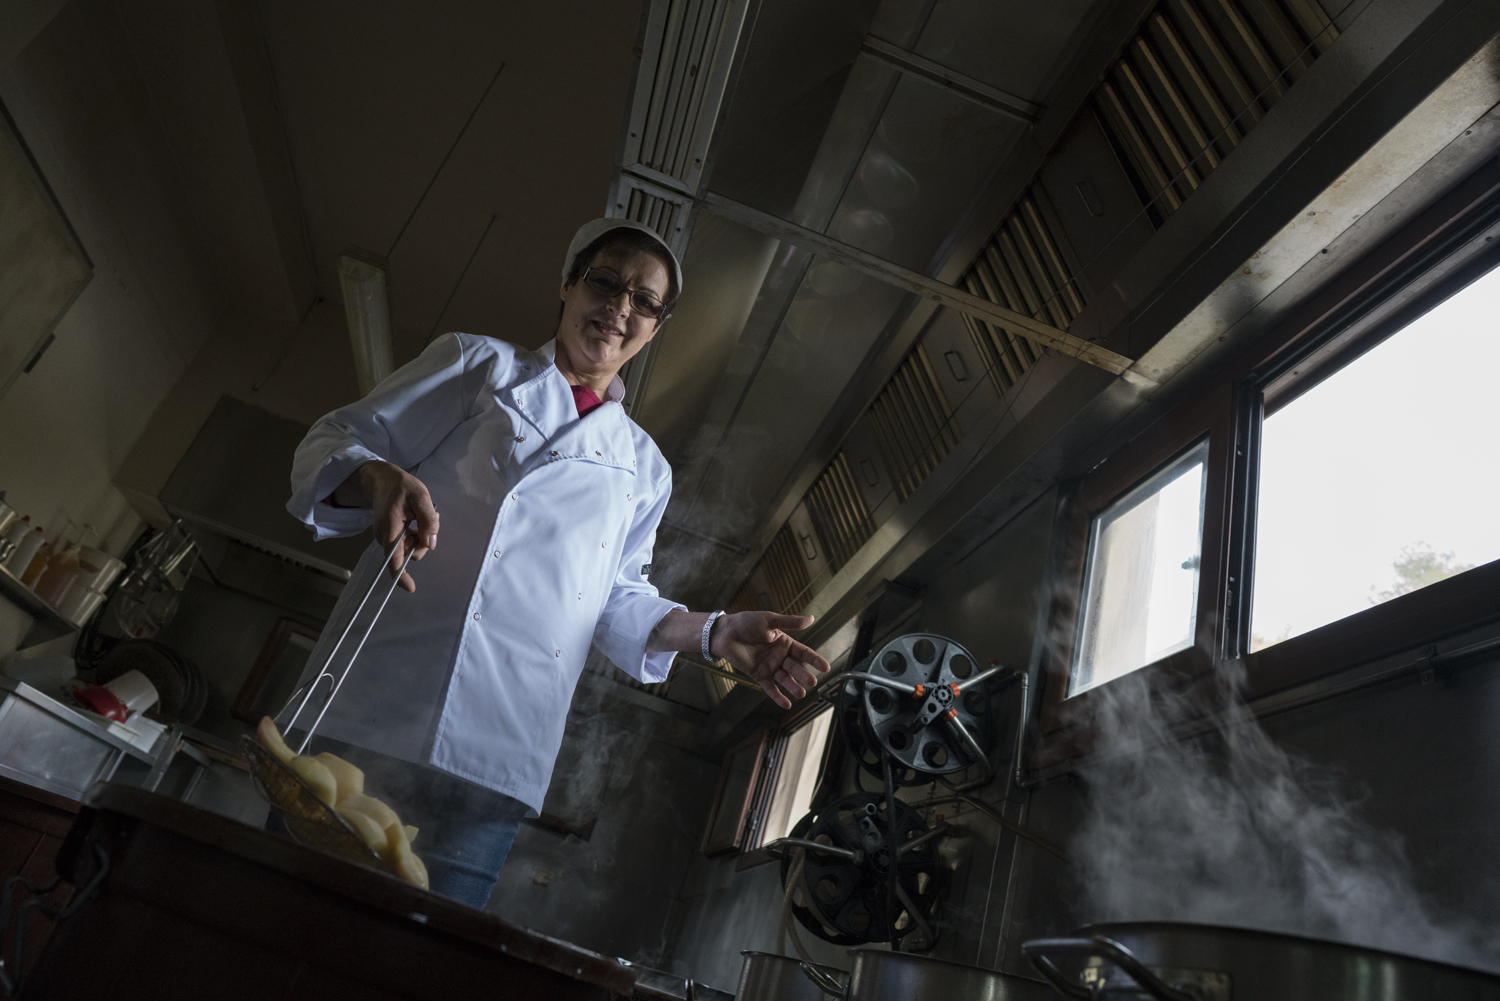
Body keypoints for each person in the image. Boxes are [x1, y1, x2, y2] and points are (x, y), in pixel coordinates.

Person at [285, 218, 829, 908]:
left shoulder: (644, 469)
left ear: (657, 327)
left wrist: (715, 632)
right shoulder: (476, 365)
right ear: (569, 285)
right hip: (372, 708)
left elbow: (616, 600)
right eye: (605, 281)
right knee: (287, 919)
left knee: (419, 966)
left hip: (497, 757)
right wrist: (375, 477)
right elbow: (333, 438)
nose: (619, 306)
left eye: (644, 300)